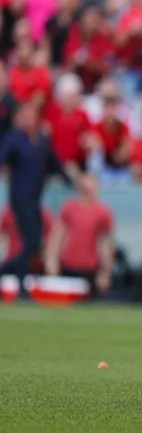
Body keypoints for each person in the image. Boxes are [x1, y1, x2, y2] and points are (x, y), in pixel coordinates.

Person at [0, 106, 78, 298]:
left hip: (35, 199)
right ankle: (19, 282)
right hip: (20, 198)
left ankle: (13, 275)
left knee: (34, 244)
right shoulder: (15, 138)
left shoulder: (42, 141)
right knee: (31, 241)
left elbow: (54, 163)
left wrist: (70, 180)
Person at [45, 173, 114, 298]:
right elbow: (58, 235)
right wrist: (52, 259)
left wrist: (105, 272)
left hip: (91, 267)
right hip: (68, 264)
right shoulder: (69, 208)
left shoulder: (103, 212)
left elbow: (106, 243)